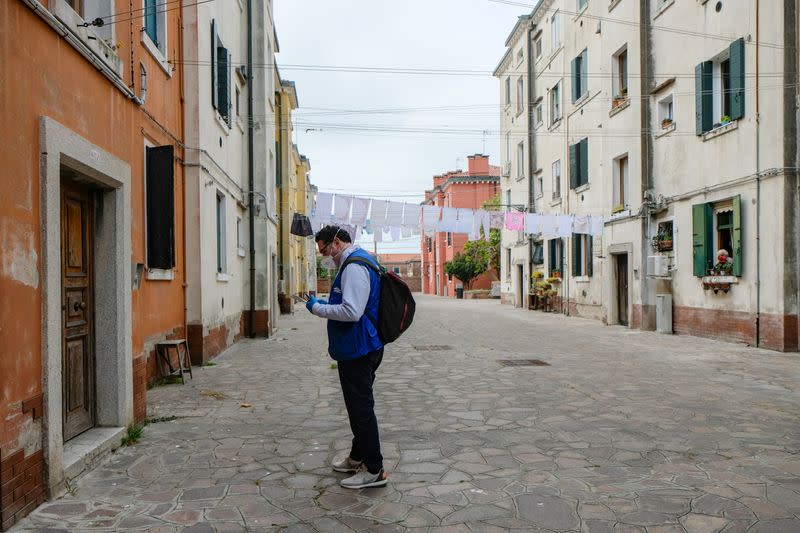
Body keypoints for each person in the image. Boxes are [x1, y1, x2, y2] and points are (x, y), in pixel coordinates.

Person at [305, 225, 388, 489]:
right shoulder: (354, 262)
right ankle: (357, 456)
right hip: (359, 347)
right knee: (357, 406)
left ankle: (374, 469)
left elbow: (352, 311)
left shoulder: (354, 267)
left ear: (338, 242)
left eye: (324, 249)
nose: (324, 255)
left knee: (361, 409)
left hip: (359, 349)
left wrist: (318, 308)